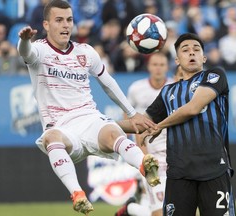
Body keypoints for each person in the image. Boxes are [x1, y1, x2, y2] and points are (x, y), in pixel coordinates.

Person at [17, 1, 160, 215]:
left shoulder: (85, 52)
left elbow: (108, 83)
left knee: (113, 131)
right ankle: (77, 193)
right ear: (46, 25)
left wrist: (132, 113)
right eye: (59, 20)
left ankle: (145, 165)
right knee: (50, 138)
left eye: (69, 20)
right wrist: (24, 41)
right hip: (61, 126)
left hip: (89, 118)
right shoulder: (39, 50)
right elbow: (26, 53)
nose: (66, 25)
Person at [118, 33, 236, 216]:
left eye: (196, 50)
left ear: (204, 57)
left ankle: (132, 210)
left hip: (214, 170)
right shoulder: (168, 92)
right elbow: (141, 124)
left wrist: (160, 125)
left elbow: (193, 108)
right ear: (177, 60)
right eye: (185, 50)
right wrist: (105, 125)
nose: (191, 53)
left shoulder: (215, 76)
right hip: (179, 175)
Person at [115, 54, 183, 216]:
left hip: (175, 157)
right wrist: (141, 155)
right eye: (155, 64)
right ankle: (134, 206)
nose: (158, 68)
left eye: (162, 64)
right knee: (159, 212)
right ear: (149, 67)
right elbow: (131, 121)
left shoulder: (176, 89)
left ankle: (131, 209)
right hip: (149, 153)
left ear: (167, 67)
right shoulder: (136, 88)